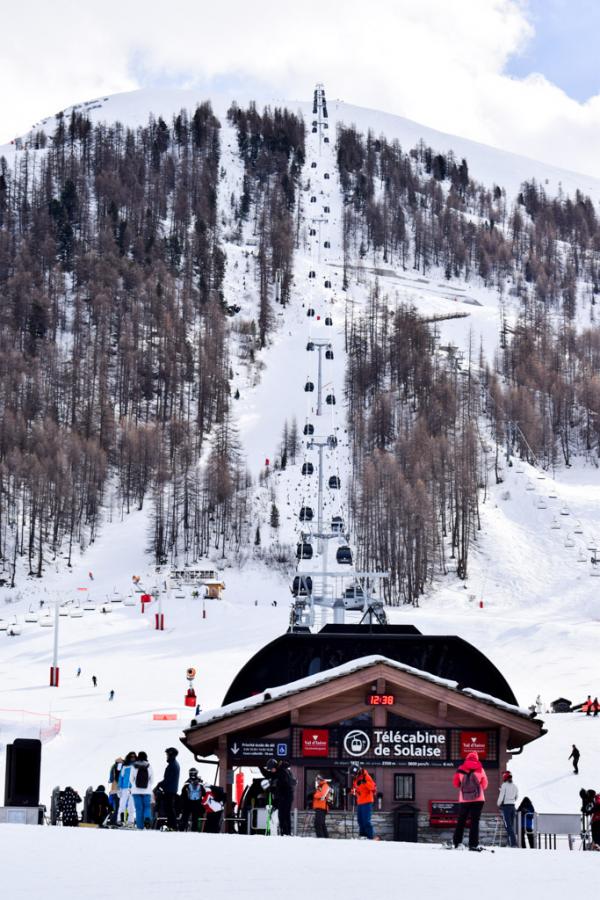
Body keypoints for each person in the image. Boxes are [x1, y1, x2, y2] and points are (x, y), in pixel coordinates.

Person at [452, 750, 488, 851]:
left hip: (464, 799)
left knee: (461, 821)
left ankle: (457, 842)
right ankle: (473, 844)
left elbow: (455, 784)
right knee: (474, 822)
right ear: (476, 758)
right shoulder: (481, 769)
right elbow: (485, 785)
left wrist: (463, 785)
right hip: (478, 799)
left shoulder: (460, 769)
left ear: (467, 758)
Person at [262, 758, 296, 836]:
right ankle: (286, 832)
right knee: (285, 814)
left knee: (283, 815)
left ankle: (285, 833)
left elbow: (283, 785)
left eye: (271, 769)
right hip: (286, 795)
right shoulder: (281, 770)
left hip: (285, 795)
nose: (271, 771)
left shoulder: (282, 771)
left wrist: (273, 787)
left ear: (274, 766)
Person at [349, 763, 377, 840]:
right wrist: (351, 791)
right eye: (352, 775)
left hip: (367, 801)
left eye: (354, 774)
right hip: (360, 802)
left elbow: (373, 787)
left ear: (358, 772)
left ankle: (371, 837)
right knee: (360, 820)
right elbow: (356, 790)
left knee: (366, 821)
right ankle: (363, 836)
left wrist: (365, 782)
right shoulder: (355, 779)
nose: (353, 776)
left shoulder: (366, 776)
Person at [130, 751, 153, 830]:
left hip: (136, 792)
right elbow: (152, 780)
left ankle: (140, 827)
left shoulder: (134, 766)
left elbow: (131, 779)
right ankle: (147, 818)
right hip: (147, 791)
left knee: (139, 809)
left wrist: (135, 785)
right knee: (147, 807)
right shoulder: (149, 766)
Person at [497, 770, 518, 847]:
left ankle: (513, 843)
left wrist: (498, 804)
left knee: (507, 826)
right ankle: (510, 842)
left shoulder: (504, 785)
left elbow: (501, 796)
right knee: (510, 825)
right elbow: (516, 797)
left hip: (506, 807)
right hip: (513, 806)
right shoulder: (515, 786)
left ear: (504, 777)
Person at [162, 747, 181, 831]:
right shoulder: (174, 764)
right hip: (171, 789)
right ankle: (171, 825)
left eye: (167, 754)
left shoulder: (173, 764)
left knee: (169, 808)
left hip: (170, 789)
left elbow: (168, 779)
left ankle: (173, 826)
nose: (166, 756)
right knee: (169, 808)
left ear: (171, 754)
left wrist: (160, 784)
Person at [117, 751, 137, 825]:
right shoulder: (125, 767)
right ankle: (120, 820)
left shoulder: (137, 767)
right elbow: (121, 778)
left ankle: (130, 821)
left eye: (134, 757)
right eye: (131, 756)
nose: (133, 758)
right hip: (124, 788)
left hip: (133, 789)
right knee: (122, 804)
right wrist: (119, 788)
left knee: (131, 805)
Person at [313, 774, 332, 838]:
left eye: (317, 779)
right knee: (321, 824)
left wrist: (315, 795)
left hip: (322, 808)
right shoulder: (320, 786)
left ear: (320, 779)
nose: (316, 781)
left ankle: (321, 838)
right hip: (319, 808)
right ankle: (325, 839)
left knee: (318, 824)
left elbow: (322, 795)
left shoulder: (325, 785)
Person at [108, 757, 123, 826]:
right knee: (119, 806)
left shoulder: (113, 768)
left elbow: (110, 779)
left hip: (113, 789)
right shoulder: (122, 768)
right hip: (120, 790)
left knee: (116, 806)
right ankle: (114, 821)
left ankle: (113, 820)